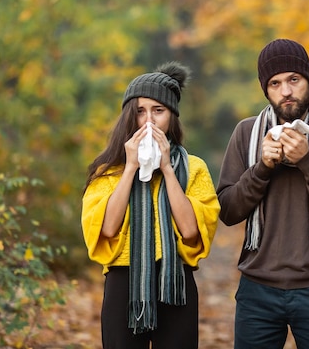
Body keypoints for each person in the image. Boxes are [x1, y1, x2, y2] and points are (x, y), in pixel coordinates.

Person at [217, 38, 309, 349]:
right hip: (256, 289)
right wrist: (261, 168)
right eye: (275, 83)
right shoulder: (246, 133)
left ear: (308, 80)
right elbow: (229, 211)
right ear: (266, 89)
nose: (285, 91)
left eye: (293, 80)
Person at [81, 62, 220, 349]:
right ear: (129, 117)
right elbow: (107, 228)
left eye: (159, 111)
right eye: (141, 111)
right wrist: (130, 167)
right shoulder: (108, 171)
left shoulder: (194, 168)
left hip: (176, 283)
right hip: (124, 281)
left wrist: (168, 169)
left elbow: (191, 231)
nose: (149, 121)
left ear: (172, 116)